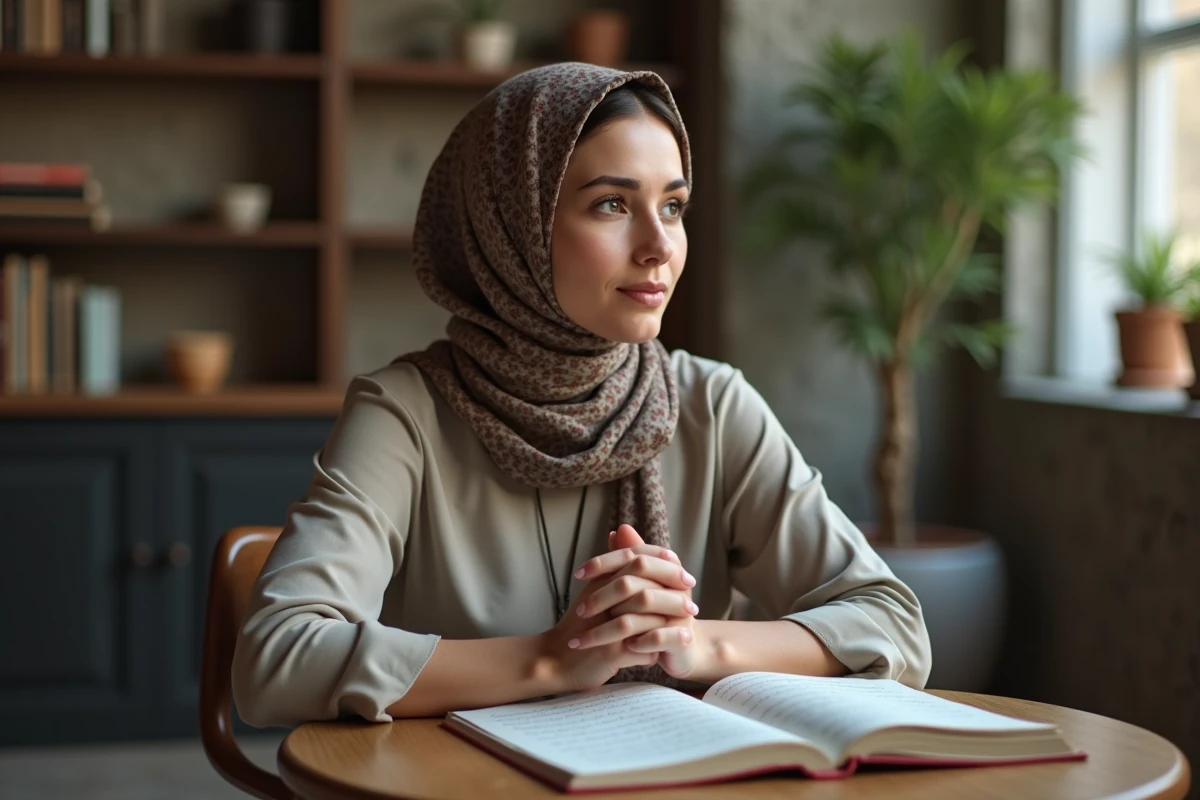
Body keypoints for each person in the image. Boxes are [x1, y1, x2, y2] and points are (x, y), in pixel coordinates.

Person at [231, 63, 931, 729]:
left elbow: (890, 622)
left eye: (674, 205)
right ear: (513, 229)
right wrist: (551, 659)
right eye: (611, 205)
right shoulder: (405, 413)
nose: (659, 246)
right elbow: (276, 659)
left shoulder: (711, 406)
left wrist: (693, 644)